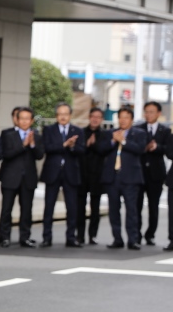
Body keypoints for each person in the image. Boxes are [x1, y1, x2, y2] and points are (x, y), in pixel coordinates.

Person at [98, 107, 146, 249]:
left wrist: (123, 141)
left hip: (130, 178)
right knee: (113, 210)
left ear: (131, 119)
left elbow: (140, 149)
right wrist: (113, 140)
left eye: (126, 117)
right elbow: (101, 149)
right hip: (112, 177)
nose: (123, 120)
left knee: (131, 210)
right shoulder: (110, 133)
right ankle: (117, 238)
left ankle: (133, 239)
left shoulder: (139, 133)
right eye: (121, 117)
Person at [0, 107, 43, 248]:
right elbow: (6, 154)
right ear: (17, 119)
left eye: (27, 118)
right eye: (21, 118)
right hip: (10, 177)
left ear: (32, 120)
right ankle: (5, 237)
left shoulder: (36, 135)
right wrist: (23, 145)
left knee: (27, 210)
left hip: (28, 178)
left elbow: (40, 155)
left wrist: (32, 144)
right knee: (6, 209)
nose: (24, 121)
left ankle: (25, 237)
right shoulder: (8, 134)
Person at [40, 103, 85, 247]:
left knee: (72, 207)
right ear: (56, 116)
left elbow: (82, 150)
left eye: (65, 114)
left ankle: (71, 237)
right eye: (60, 114)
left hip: (70, 173)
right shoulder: (49, 130)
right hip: (53, 172)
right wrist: (64, 145)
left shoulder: (77, 131)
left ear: (70, 115)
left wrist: (72, 147)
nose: (63, 117)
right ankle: (47, 237)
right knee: (49, 206)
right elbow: (47, 148)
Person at [134, 101, 170, 246]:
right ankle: (136, 234)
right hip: (139, 173)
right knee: (136, 205)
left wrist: (157, 147)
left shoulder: (165, 130)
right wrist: (145, 147)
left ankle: (150, 234)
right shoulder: (138, 129)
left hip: (156, 174)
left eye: (152, 112)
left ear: (158, 113)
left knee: (153, 206)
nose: (148, 114)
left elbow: (168, 150)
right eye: (146, 112)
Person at [76, 107, 107, 246]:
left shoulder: (105, 134)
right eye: (93, 116)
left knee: (95, 208)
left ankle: (93, 235)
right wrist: (86, 145)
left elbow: (104, 150)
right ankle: (80, 235)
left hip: (97, 176)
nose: (95, 119)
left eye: (98, 117)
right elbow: (78, 150)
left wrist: (93, 145)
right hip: (82, 174)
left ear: (102, 119)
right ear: (89, 117)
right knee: (80, 207)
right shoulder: (81, 132)